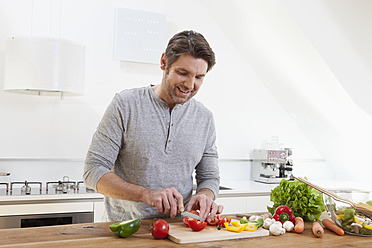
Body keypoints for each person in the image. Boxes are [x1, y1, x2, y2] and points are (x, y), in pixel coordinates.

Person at [83, 30, 223, 223]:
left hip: (180, 230)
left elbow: (209, 177)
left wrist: (205, 196)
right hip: (125, 231)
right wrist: (146, 195)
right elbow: (93, 171)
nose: (190, 85)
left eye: (199, 77)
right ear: (164, 62)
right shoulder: (125, 105)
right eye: (183, 73)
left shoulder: (204, 118)